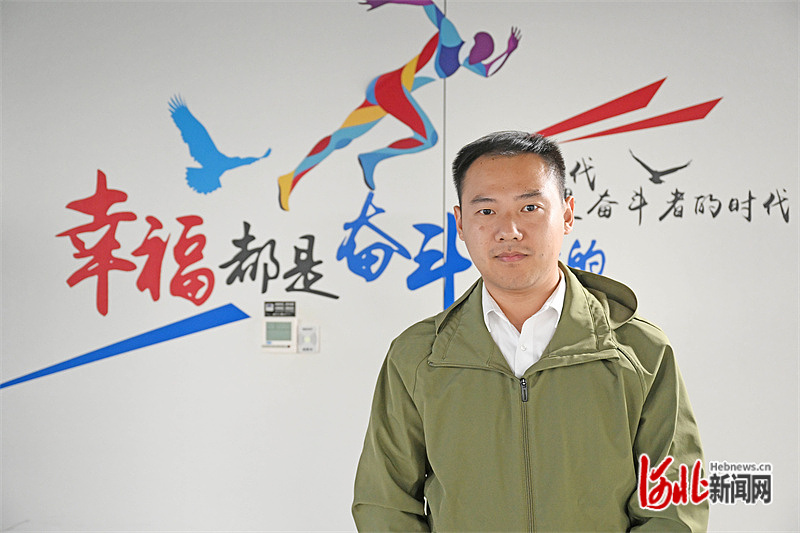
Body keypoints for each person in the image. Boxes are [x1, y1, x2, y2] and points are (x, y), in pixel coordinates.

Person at [352, 131, 708, 531]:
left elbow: (673, 506)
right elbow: (384, 503)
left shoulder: (639, 351)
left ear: (567, 214)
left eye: (530, 207)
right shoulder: (419, 357)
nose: (509, 230)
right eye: (487, 211)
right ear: (460, 224)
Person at [277, 0, 520, 210]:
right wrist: (385, 1)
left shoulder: (465, 60)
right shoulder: (451, 38)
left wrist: (508, 51)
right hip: (393, 89)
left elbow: (487, 72)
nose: (478, 61)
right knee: (428, 138)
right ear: (475, 45)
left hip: (388, 92)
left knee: (340, 138)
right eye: (480, 55)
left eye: (482, 57)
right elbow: (428, 3)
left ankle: (290, 178)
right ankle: (372, 158)